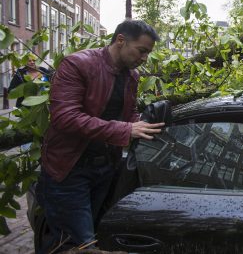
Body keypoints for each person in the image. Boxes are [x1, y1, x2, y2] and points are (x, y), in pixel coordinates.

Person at [36, 20, 165, 253]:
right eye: (142, 50)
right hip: (68, 171)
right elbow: (65, 117)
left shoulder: (132, 76)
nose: (145, 58)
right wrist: (125, 130)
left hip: (105, 169)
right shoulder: (77, 64)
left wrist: (141, 123)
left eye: (148, 53)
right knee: (81, 244)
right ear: (121, 40)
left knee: (73, 239)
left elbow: (127, 113)